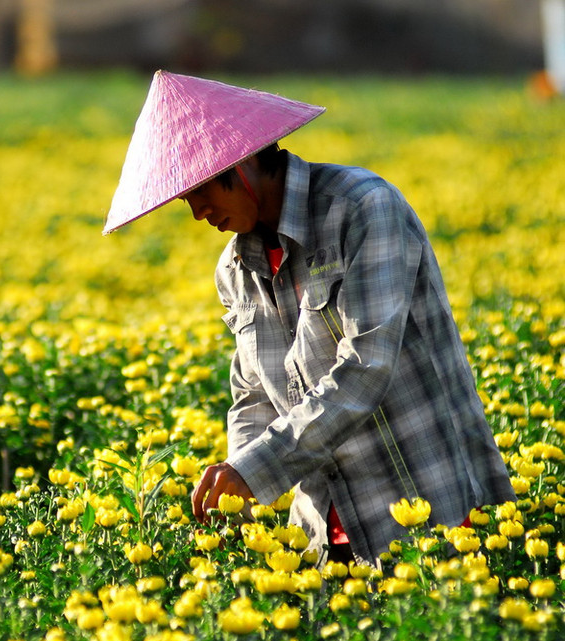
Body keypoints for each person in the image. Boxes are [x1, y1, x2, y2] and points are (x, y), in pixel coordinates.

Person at [104, 71, 516, 565]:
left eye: (200, 189)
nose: (197, 212)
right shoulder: (236, 269)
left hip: (427, 517)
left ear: (245, 162)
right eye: (185, 199)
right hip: (320, 540)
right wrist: (236, 487)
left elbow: (366, 369)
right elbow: (252, 394)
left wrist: (257, 470)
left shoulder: (362, 208)